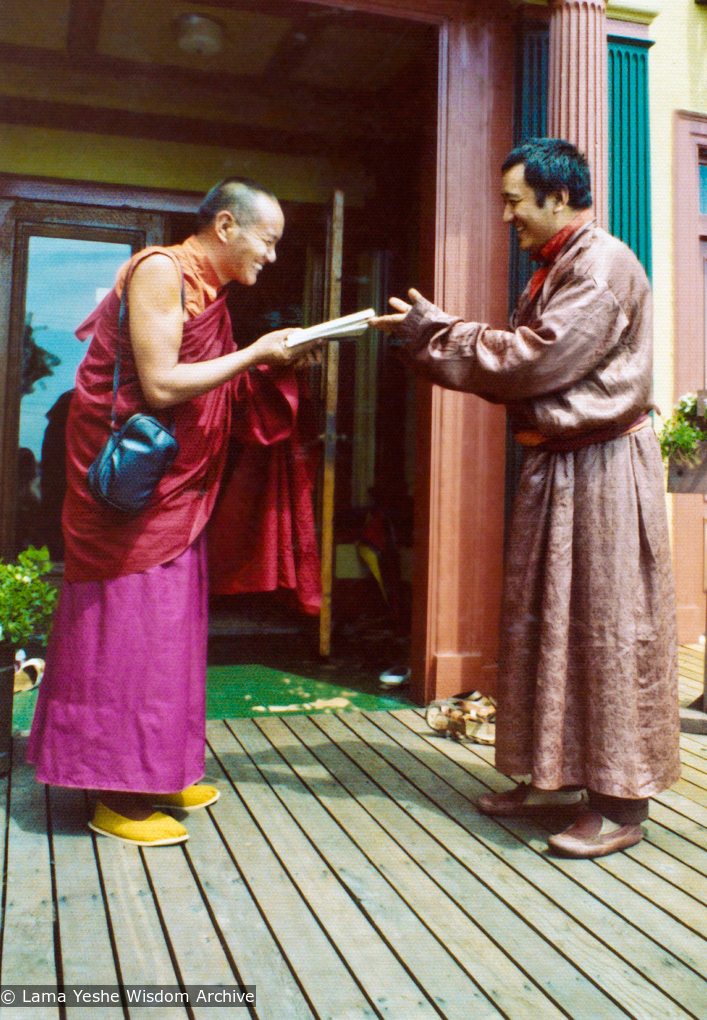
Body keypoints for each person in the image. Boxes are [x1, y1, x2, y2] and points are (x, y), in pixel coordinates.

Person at [371, 138, 681, 859]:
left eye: (515, 201)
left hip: (602, 473)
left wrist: (440, 336)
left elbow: (536, 358)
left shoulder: (599, 266)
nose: (507, 214)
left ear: (559, 196)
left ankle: (618, 804)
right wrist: (442, 338)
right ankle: (552, 777)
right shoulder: (560, 266)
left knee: (605, 627)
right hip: (564, 468)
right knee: (547, 622)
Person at [26, 178, 323, 847]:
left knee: (168, 637)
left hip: (176, 492)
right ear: (225, 226)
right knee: (126, 637)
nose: (271, 258)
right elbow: (160, 383)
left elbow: (208, 387)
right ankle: (114, 797)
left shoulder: (208, 294)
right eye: (266, 241)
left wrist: (276, 360)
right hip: (131, 500)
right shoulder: (160, 272)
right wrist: (257, 353)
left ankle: (156, 769)